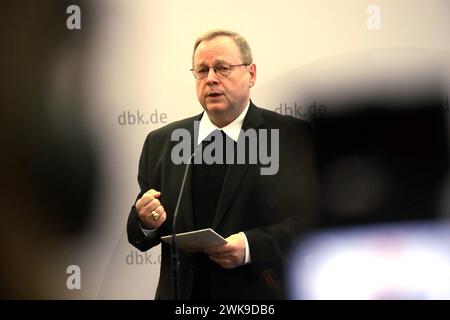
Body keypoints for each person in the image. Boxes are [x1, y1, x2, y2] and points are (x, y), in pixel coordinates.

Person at [127, 29, 317, 299]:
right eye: (201, 71)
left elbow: (311, 223)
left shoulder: (289, 137)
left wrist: (252, 246)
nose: (211, 79)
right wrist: (145, 220)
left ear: (251, 74)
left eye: (222, 68)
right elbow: (141, 231)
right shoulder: (162, 143)